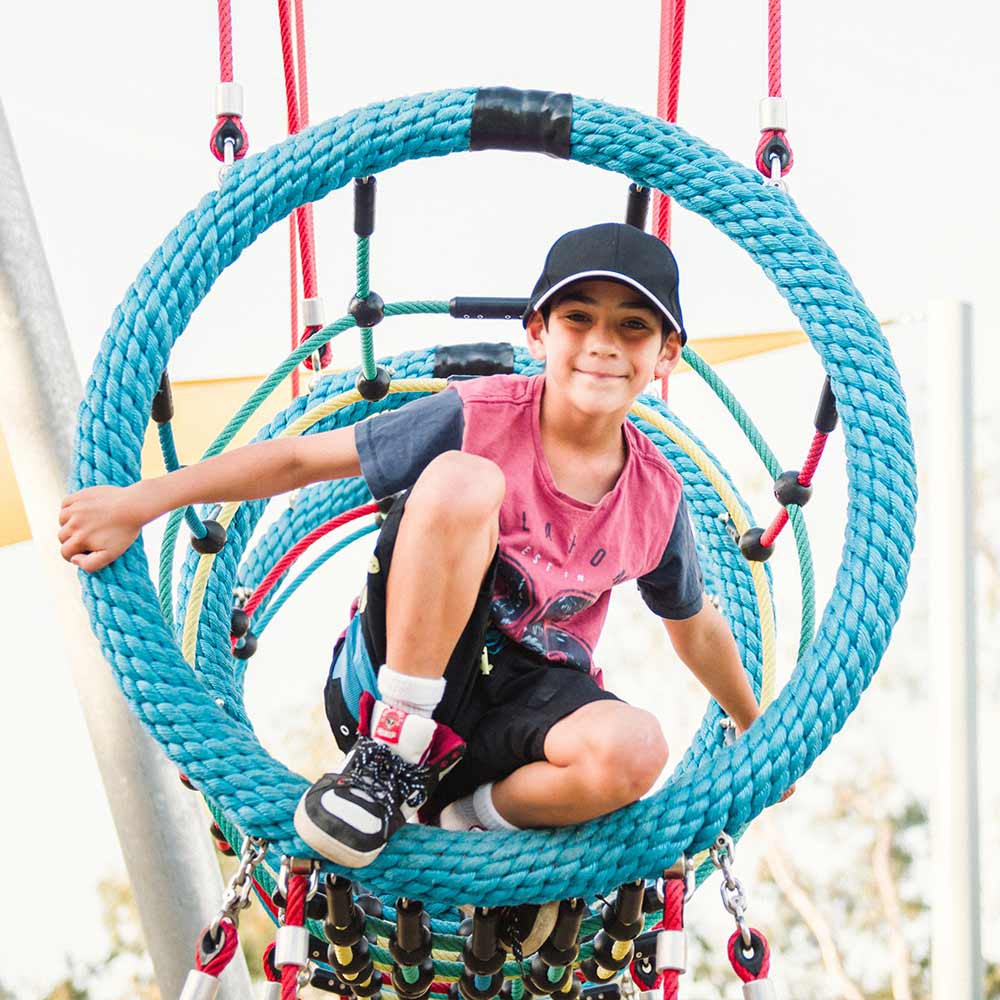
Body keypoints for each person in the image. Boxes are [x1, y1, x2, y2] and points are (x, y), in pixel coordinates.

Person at [60, 222, 789, 878]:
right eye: (578, 319)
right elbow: (298, 463)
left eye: (633, 328)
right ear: (538, 334)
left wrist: (755, 724)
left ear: (666, 354)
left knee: (638, 750)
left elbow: (693, 624)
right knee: (466, 481)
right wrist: (139, 502)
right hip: (402, 671)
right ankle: (389, 756)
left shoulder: (656, 497)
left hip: (520, 703)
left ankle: (461, 818)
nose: (603, 343)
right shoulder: (482, 415)